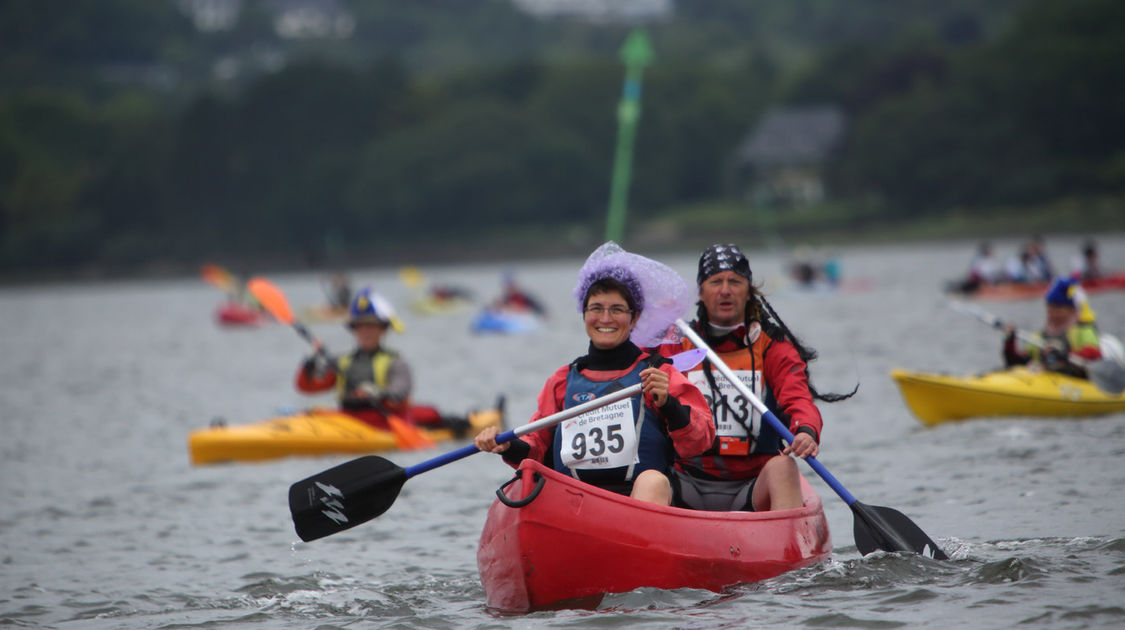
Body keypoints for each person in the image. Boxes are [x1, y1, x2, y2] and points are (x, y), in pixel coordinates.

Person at [474, 243, 715, 506]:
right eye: (596, 308)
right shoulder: (562, 381)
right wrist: (506, 445)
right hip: (576, 502)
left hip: (641, 499)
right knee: (530, 479)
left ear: (634, 319)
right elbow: (537, 446)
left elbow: (701, 440)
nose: (606, 318)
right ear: (585, 315)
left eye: (617, 309)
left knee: (653, 481)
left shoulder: (659, 373)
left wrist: (668, 403)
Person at [657, 244, 855, 512]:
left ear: (749, 292)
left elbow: (798, 398)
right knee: (650, 479)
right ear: (701, 292)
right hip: (685, 480)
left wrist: (806, 431)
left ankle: (785, 544)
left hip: (753, 486)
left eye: (735, 282)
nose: (725, 290)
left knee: (785, 466)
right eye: (716, 282)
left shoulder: (772, 346)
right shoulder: (677, 343)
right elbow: (631, 364)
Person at [296, 287, 412, 426]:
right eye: (360, 327)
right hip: (347, 419)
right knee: (313, 411)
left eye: (371, 327)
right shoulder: (342, 361)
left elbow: (400, 390)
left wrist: (376, 393)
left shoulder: (395, 362)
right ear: (354, 330)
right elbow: (307, 386)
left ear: (383, 330)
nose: (365, 332)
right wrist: (311, 362)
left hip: (380, 419)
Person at [1003, 276, 1102, 378]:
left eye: (1057, 309)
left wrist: (1063, 355)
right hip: (1045, 382)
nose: (1052, 314)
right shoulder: (1041, 335)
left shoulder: (1084, 331)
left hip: (1074, 382)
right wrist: (1009, 343)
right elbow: (1017, 362)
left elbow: (1094, 355)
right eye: (1049, 308)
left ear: (1072, 310)